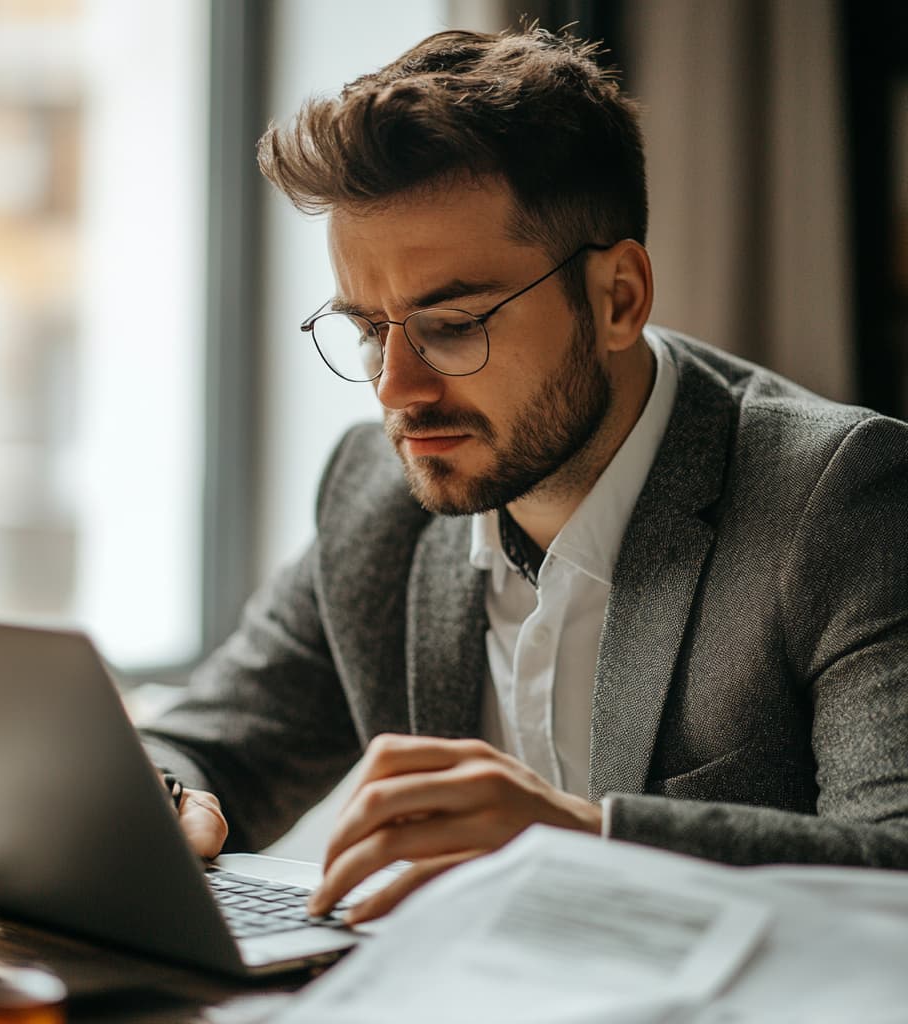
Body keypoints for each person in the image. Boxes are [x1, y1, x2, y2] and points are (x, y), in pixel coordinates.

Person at [141, 25, 908, 925]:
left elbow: (892, 867)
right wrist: (165, 795)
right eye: (365, 329)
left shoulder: (842, 498)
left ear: (618, 298)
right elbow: (208, 745)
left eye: (455, 324)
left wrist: (581, 840)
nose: (396, 390)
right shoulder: (376, 495)